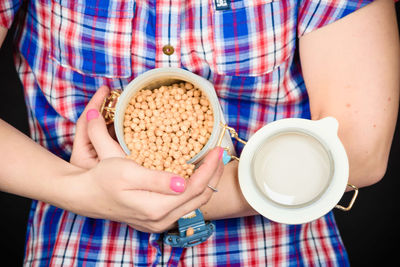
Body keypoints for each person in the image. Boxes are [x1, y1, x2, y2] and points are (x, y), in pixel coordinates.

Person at [0, 0, 398, 265]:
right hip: (80, 248)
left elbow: (359, 149)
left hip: (276, 251)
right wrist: (78, 189)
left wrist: (181, 199)